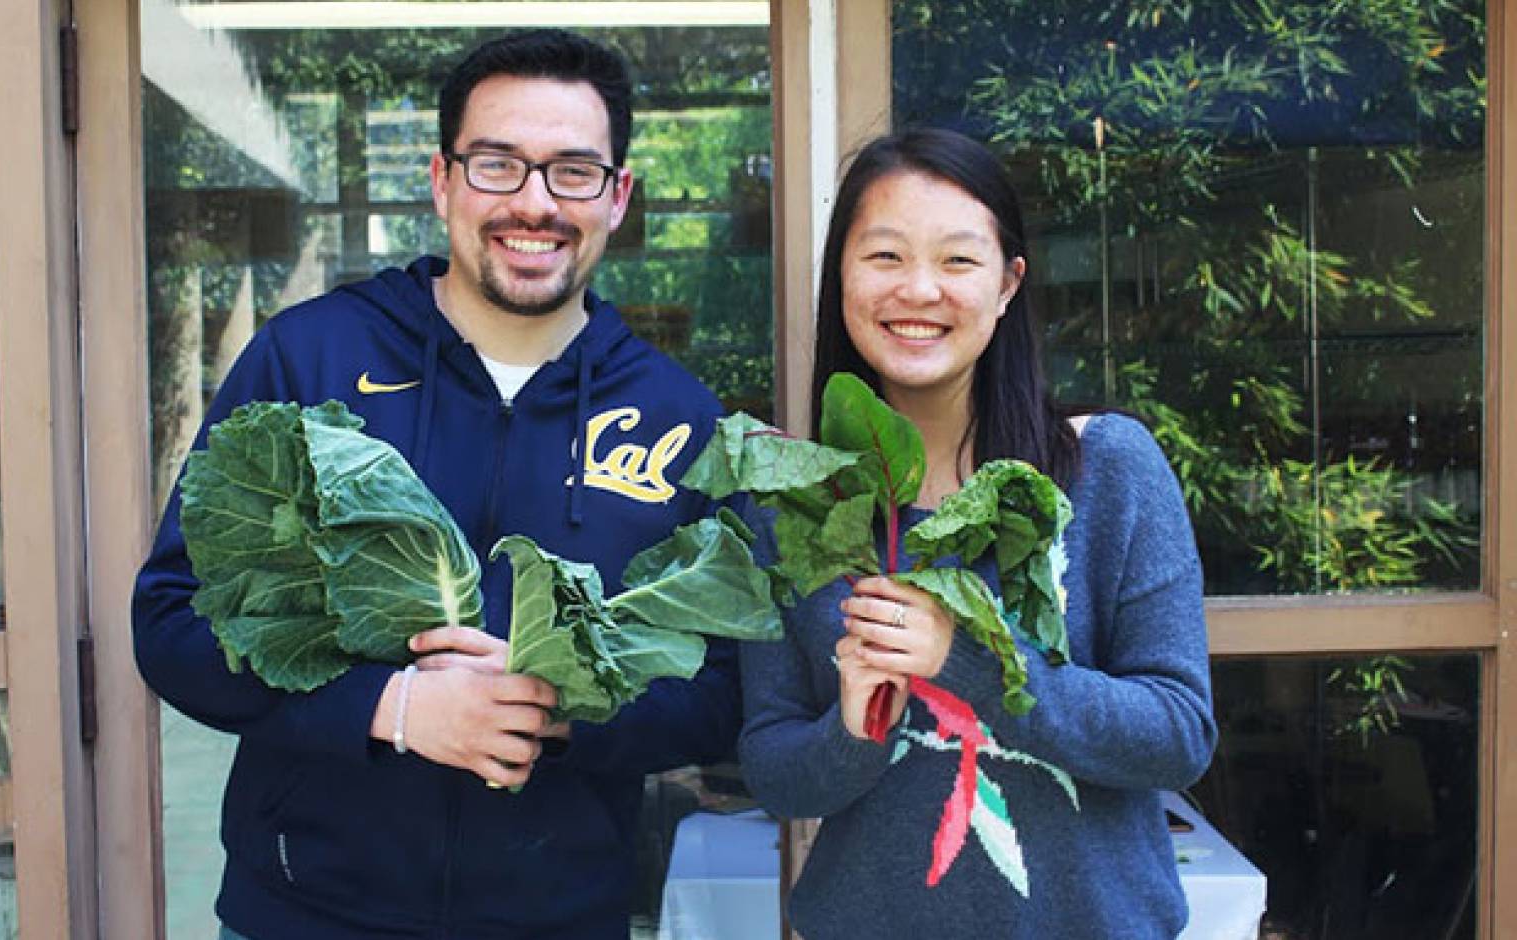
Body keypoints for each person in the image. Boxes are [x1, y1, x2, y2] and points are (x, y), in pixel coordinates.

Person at [132, 30, 742, 940]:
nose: (534, 202)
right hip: (304, 915)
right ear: (442, 179)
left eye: (573, 171)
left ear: (617, 196)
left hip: (559, 919)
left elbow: (721, 687)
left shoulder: (679, 421)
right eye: (498, 163)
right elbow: (174, 623)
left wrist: (562, 712)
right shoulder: (309, 361)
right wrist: (395, 708)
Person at [738, 127, 1218, 938]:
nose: (919, 290)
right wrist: (852, 729)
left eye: (958, 260)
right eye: (884, 256)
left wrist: (968, 660)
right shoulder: (791, 504)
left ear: (1007, 285)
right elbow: (775, 775)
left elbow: (1177, 735)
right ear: (841, 279)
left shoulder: (1108, 468)